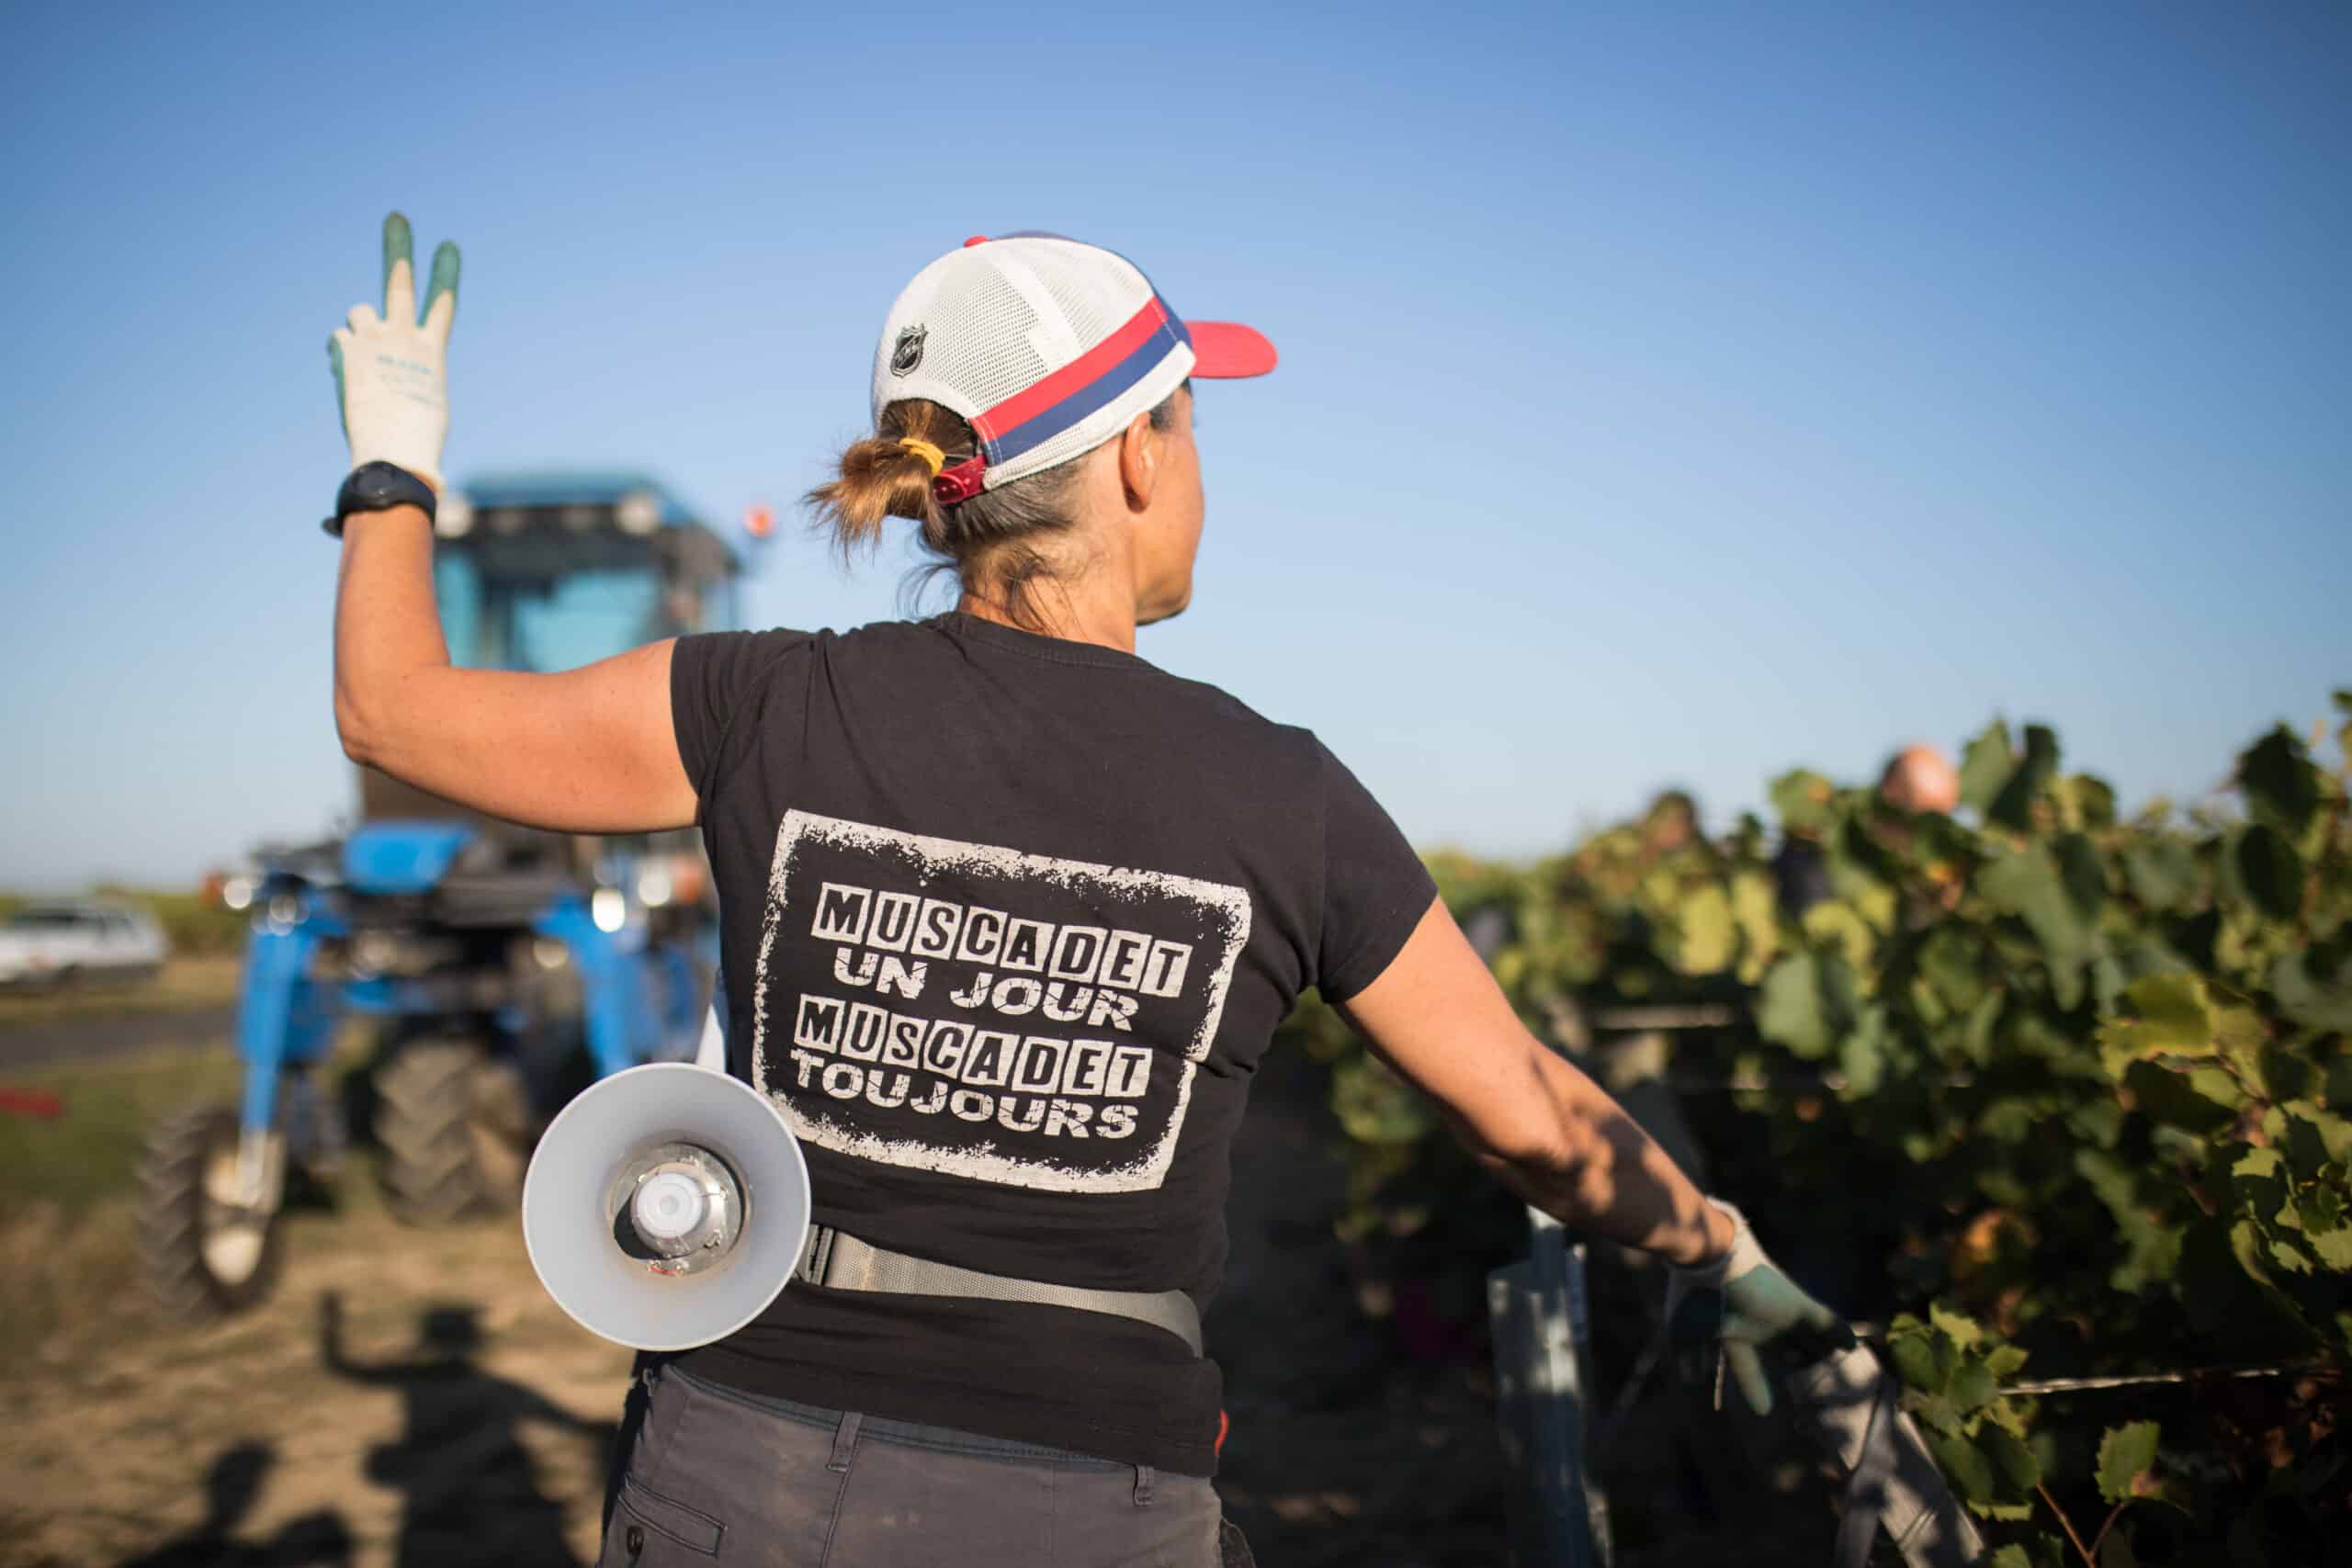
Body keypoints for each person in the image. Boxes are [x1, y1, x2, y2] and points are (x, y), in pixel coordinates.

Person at [324, 215, 1848, 1566]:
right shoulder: (1284, 796)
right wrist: (1719, 1249)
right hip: (1085, 1503)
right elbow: (1528, 1116)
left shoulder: (760, 704)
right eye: (1191, 423)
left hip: (740, 1468)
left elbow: (393, 715)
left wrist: (393, 466)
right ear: (1138, 456)